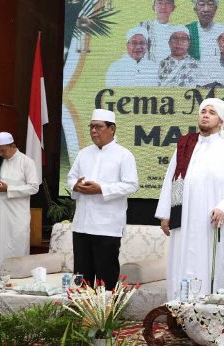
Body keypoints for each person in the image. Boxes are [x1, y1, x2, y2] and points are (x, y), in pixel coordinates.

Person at [155, 98, 224, 300]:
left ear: (221, 121)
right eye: (203, 111)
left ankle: (210, 311)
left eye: (212, 112)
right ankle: (178, 310)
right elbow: (172, 179)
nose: (205, 115)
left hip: (212, 219)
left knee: (210, 263)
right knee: (181, 260)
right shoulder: (186, 144)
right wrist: (165, 214)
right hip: (184, 218)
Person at [67, 109, 139, 289]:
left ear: (112, 128)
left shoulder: (124, 155)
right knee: (81, 276)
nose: (93, 131)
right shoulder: (84, 153)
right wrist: (75, 186)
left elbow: (131, 185)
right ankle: (81, 313)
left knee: (106, 276)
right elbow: (70, 178)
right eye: (91, 126)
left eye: (98, 127)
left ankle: (106, 315)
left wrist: (101, 189)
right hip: (81, 225)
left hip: (107, 227)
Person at [0, 132, 40, 291]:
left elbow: (34, 187)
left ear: (13, 146)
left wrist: (8, 189)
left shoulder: (26, 162)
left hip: (16, 216)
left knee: (13, 248)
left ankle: (13, 288)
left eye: (2, 150)